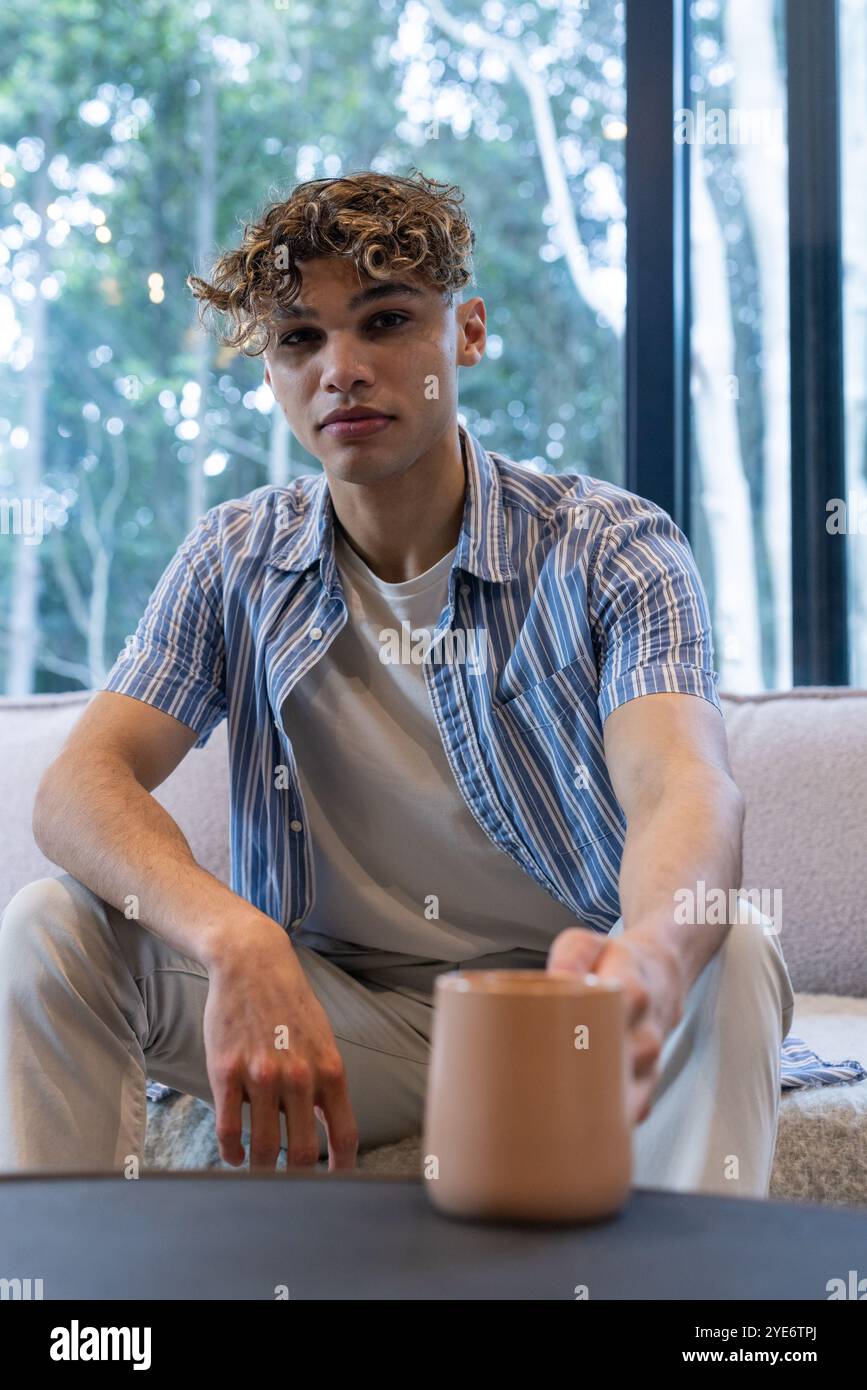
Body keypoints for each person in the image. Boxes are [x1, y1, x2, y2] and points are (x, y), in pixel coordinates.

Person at [0, 170, 793, 1194]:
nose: (342, 369)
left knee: (727, 942)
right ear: (273, 370)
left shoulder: (612, 546)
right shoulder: (235, 556)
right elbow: (78, 787)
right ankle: (58, 1310)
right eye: (300, 339)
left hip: (562, 1013)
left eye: (384, 321)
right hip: (338, 1023)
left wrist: (649, 954)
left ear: (464, 332)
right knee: (47, 927)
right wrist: (231, 934)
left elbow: (682, 784)